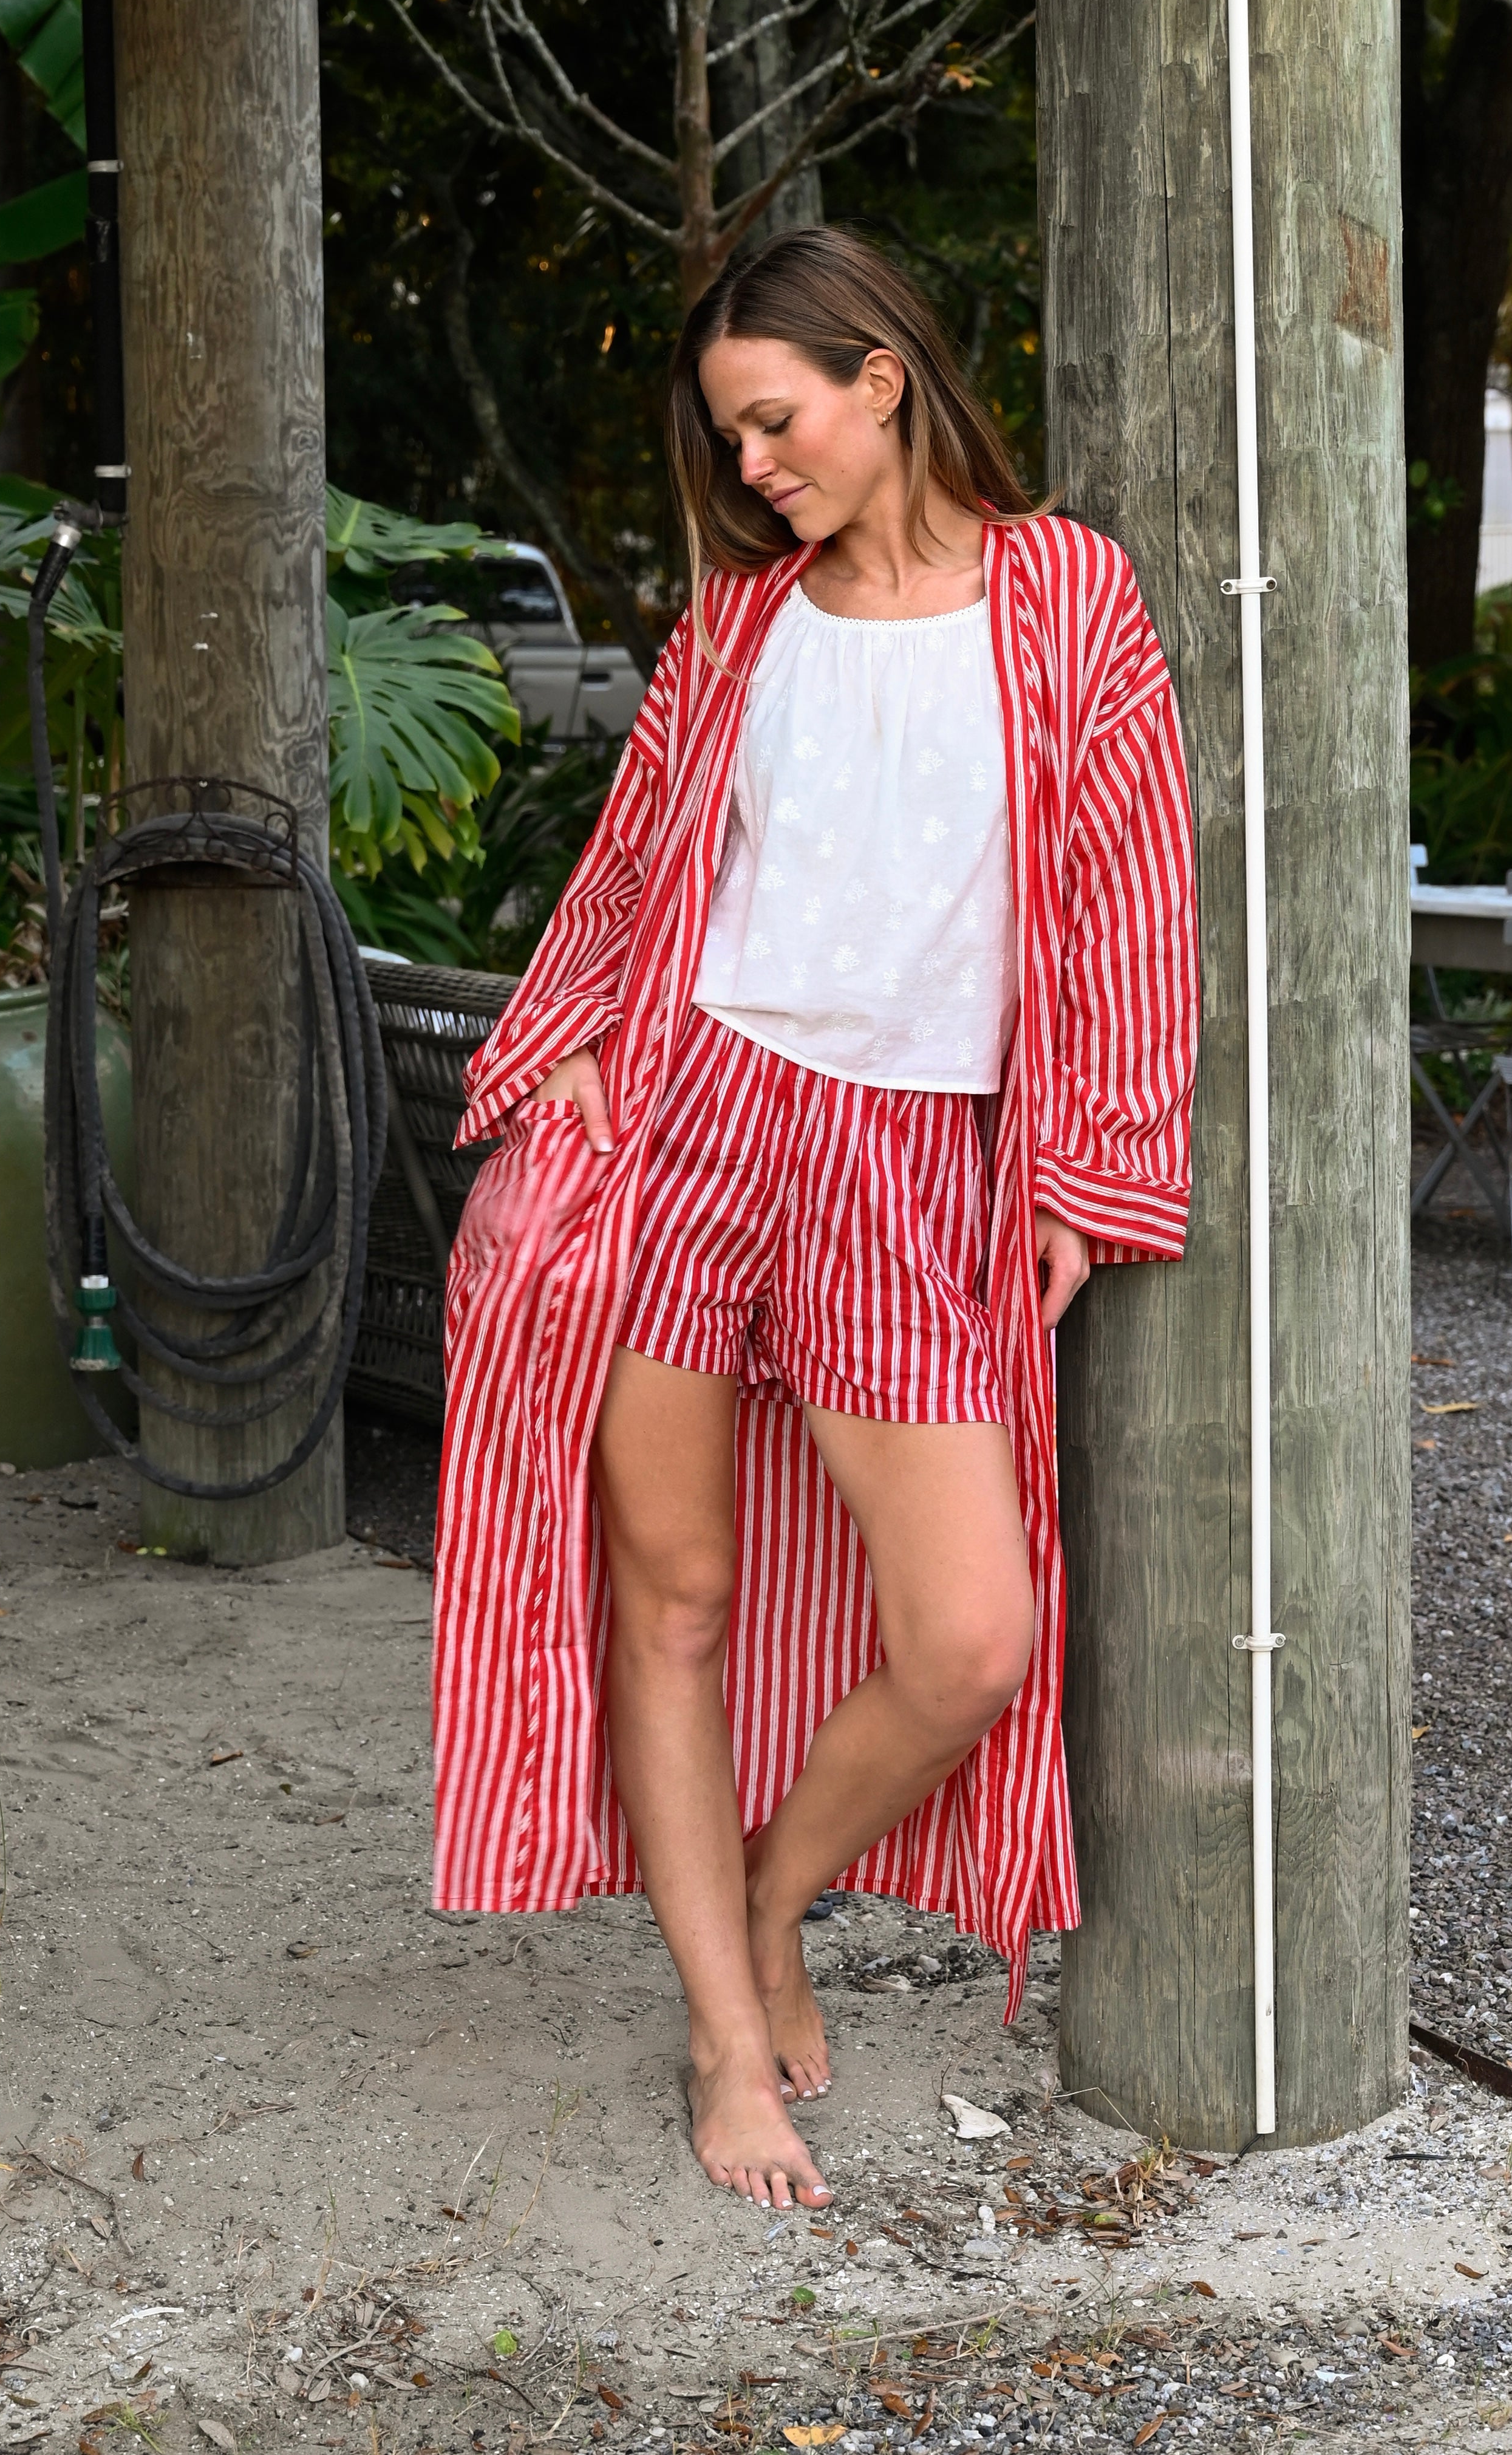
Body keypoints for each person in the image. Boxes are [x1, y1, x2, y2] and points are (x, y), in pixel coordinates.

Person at [432, 226, 1199, 2214]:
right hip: (691, 1134)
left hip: (904, 1162)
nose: (754, 461)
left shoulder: (1063, 602)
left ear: (882, 375)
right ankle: (717, 2019)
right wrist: (580, 1051)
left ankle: (775, 1896)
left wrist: (1086, 1165)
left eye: (774, 418)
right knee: (665, 1603)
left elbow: (1121, 888)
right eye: (729, 435)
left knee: (968, 1637)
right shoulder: (734, 633)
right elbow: (633, 875)